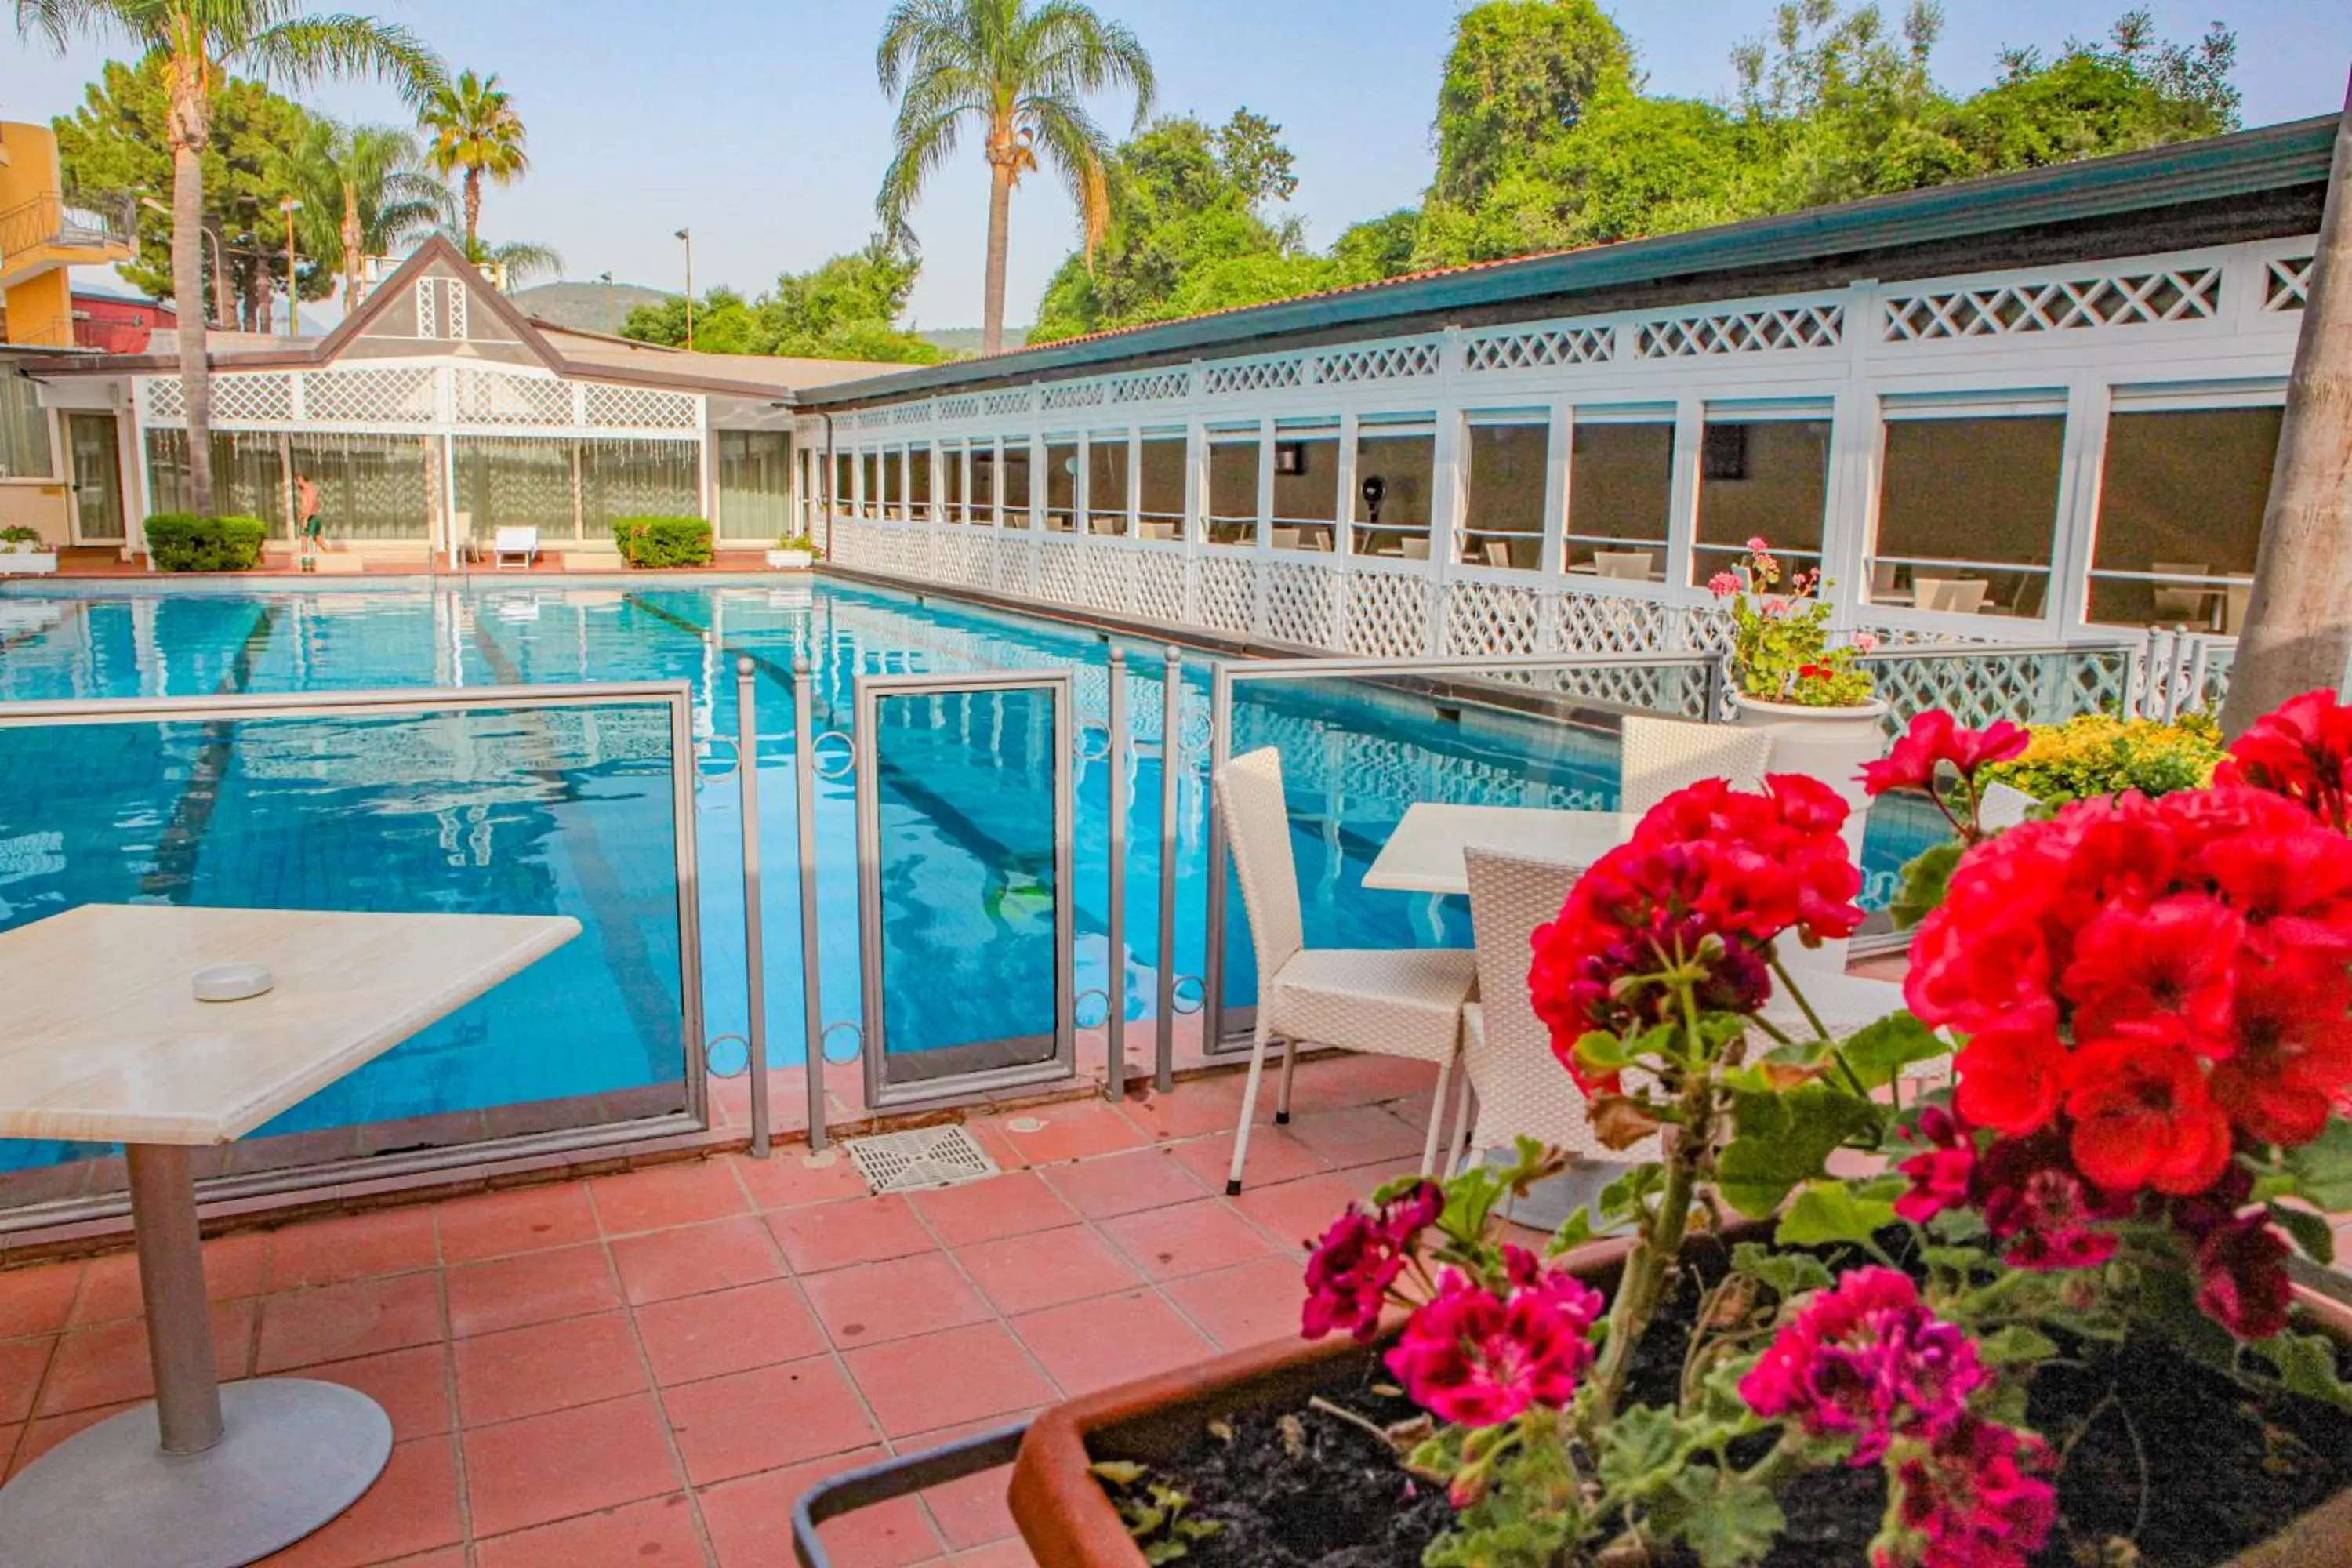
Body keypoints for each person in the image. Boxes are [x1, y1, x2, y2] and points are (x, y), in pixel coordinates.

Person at [296, 472, 323, 570]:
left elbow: (311, 503)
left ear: (303, 480)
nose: (297, 482)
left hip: (311, 517)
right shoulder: (306, 490)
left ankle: (307, 563)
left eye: (298, 480)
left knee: (306, 539)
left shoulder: (309, 489)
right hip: (309, 517)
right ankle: (306, 562)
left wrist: (306, 518)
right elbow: (306, 504)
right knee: (319, 541)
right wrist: (302, 515)